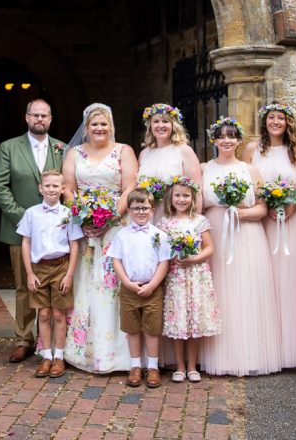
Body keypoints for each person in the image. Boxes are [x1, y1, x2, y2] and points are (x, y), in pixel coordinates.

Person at [199, 117, 282, 376]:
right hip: (215, 231)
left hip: (246, 235)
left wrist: (240, 214)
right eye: (221, 136)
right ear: (214, 140)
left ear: (238, 140)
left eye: (231, 136)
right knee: (219, 291)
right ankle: (216, 355)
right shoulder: (204, 169)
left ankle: (249, 355)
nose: (226, 140)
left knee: (246, 291)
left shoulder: (250, 170)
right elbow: (198, 206)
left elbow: (262, 208)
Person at [62, 103, 138, 373]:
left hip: (115, 228)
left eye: (104, 124)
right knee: (85, 284)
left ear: (111, 126)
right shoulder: (74, 154)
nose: (99, 128)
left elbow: (130, 186)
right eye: (94, 124)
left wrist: (107, 217)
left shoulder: (124, 151)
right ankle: (81, 351)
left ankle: (117, 353)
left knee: (113, 287)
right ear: (86, 127)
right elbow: (68, 188)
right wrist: (85, 216)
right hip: (85, 229)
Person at [0, 99, 66, 363]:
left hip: (55, 235)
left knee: (54, 286)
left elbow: (67, 189)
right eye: (35, 115)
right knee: (25, 286)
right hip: (20, 230)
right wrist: (24, 218)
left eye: (44, 115)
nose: (40, 119)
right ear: (26, 117)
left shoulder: (62, 149)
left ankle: (52, 343)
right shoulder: (9, 148)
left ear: (50, 119)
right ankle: (23, 338)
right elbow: (0, 186)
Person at [241, 103, 296, 369]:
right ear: (264, 121)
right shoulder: (252, 150)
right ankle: (265, 345)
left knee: (289, 281)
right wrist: (262, 207)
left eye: (281, 118)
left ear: (288, 122)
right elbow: (244, 181)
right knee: (262, 280)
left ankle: (291, 348)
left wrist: (293, 204)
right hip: (263, 223)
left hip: (290, 224)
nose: (276, 122)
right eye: (272, 117)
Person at [16, 169, 83, 378]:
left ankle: (59, 357)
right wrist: (29, 273)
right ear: (40, 188)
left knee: (58, 313)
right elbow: (25, 243)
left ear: (63, 189)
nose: (51, 189)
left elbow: (74, 245)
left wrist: (69, 274)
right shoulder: (31, 213)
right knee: (43, 313)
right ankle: (46, 356)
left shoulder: (68, 214)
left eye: (56, 186)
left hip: (61, 267)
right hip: (39, 268)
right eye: (48, 186)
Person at [157, 178, 221, 383]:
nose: (181, 199)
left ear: (192, 198)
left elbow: (210, 248)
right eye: (177, 195)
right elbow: (160, 250)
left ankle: (193, 366)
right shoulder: (164, 223)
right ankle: (180, 366)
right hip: (176, 276)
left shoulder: (199, 220)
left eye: (186, 195)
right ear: (171, 197)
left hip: (196, 276)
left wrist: (193, 258)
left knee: (194, 320)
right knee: (178, 320)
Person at [107, 188, 172, 387]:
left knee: (152, 329)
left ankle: (152, 367)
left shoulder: (160, 235)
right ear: (129, 210)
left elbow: (164, 263)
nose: (141, 212)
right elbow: (116, 260)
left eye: (145, 208)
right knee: (132, 328)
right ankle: (135, 366)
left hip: (152, 289)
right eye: (136, 208)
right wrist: (126, 282)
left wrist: (152, 285)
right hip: (129, 289)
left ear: (152, 210)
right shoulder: (122, 235)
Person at [138, 103, 203, 216]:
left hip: (174, 215)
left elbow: (196, 190)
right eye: (156, 121)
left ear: (173, 125)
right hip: (147, 216)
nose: (160, 125)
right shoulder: (144, 154)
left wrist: (194, 221)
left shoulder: (184, 151)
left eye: (165, 121)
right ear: (150, 125)